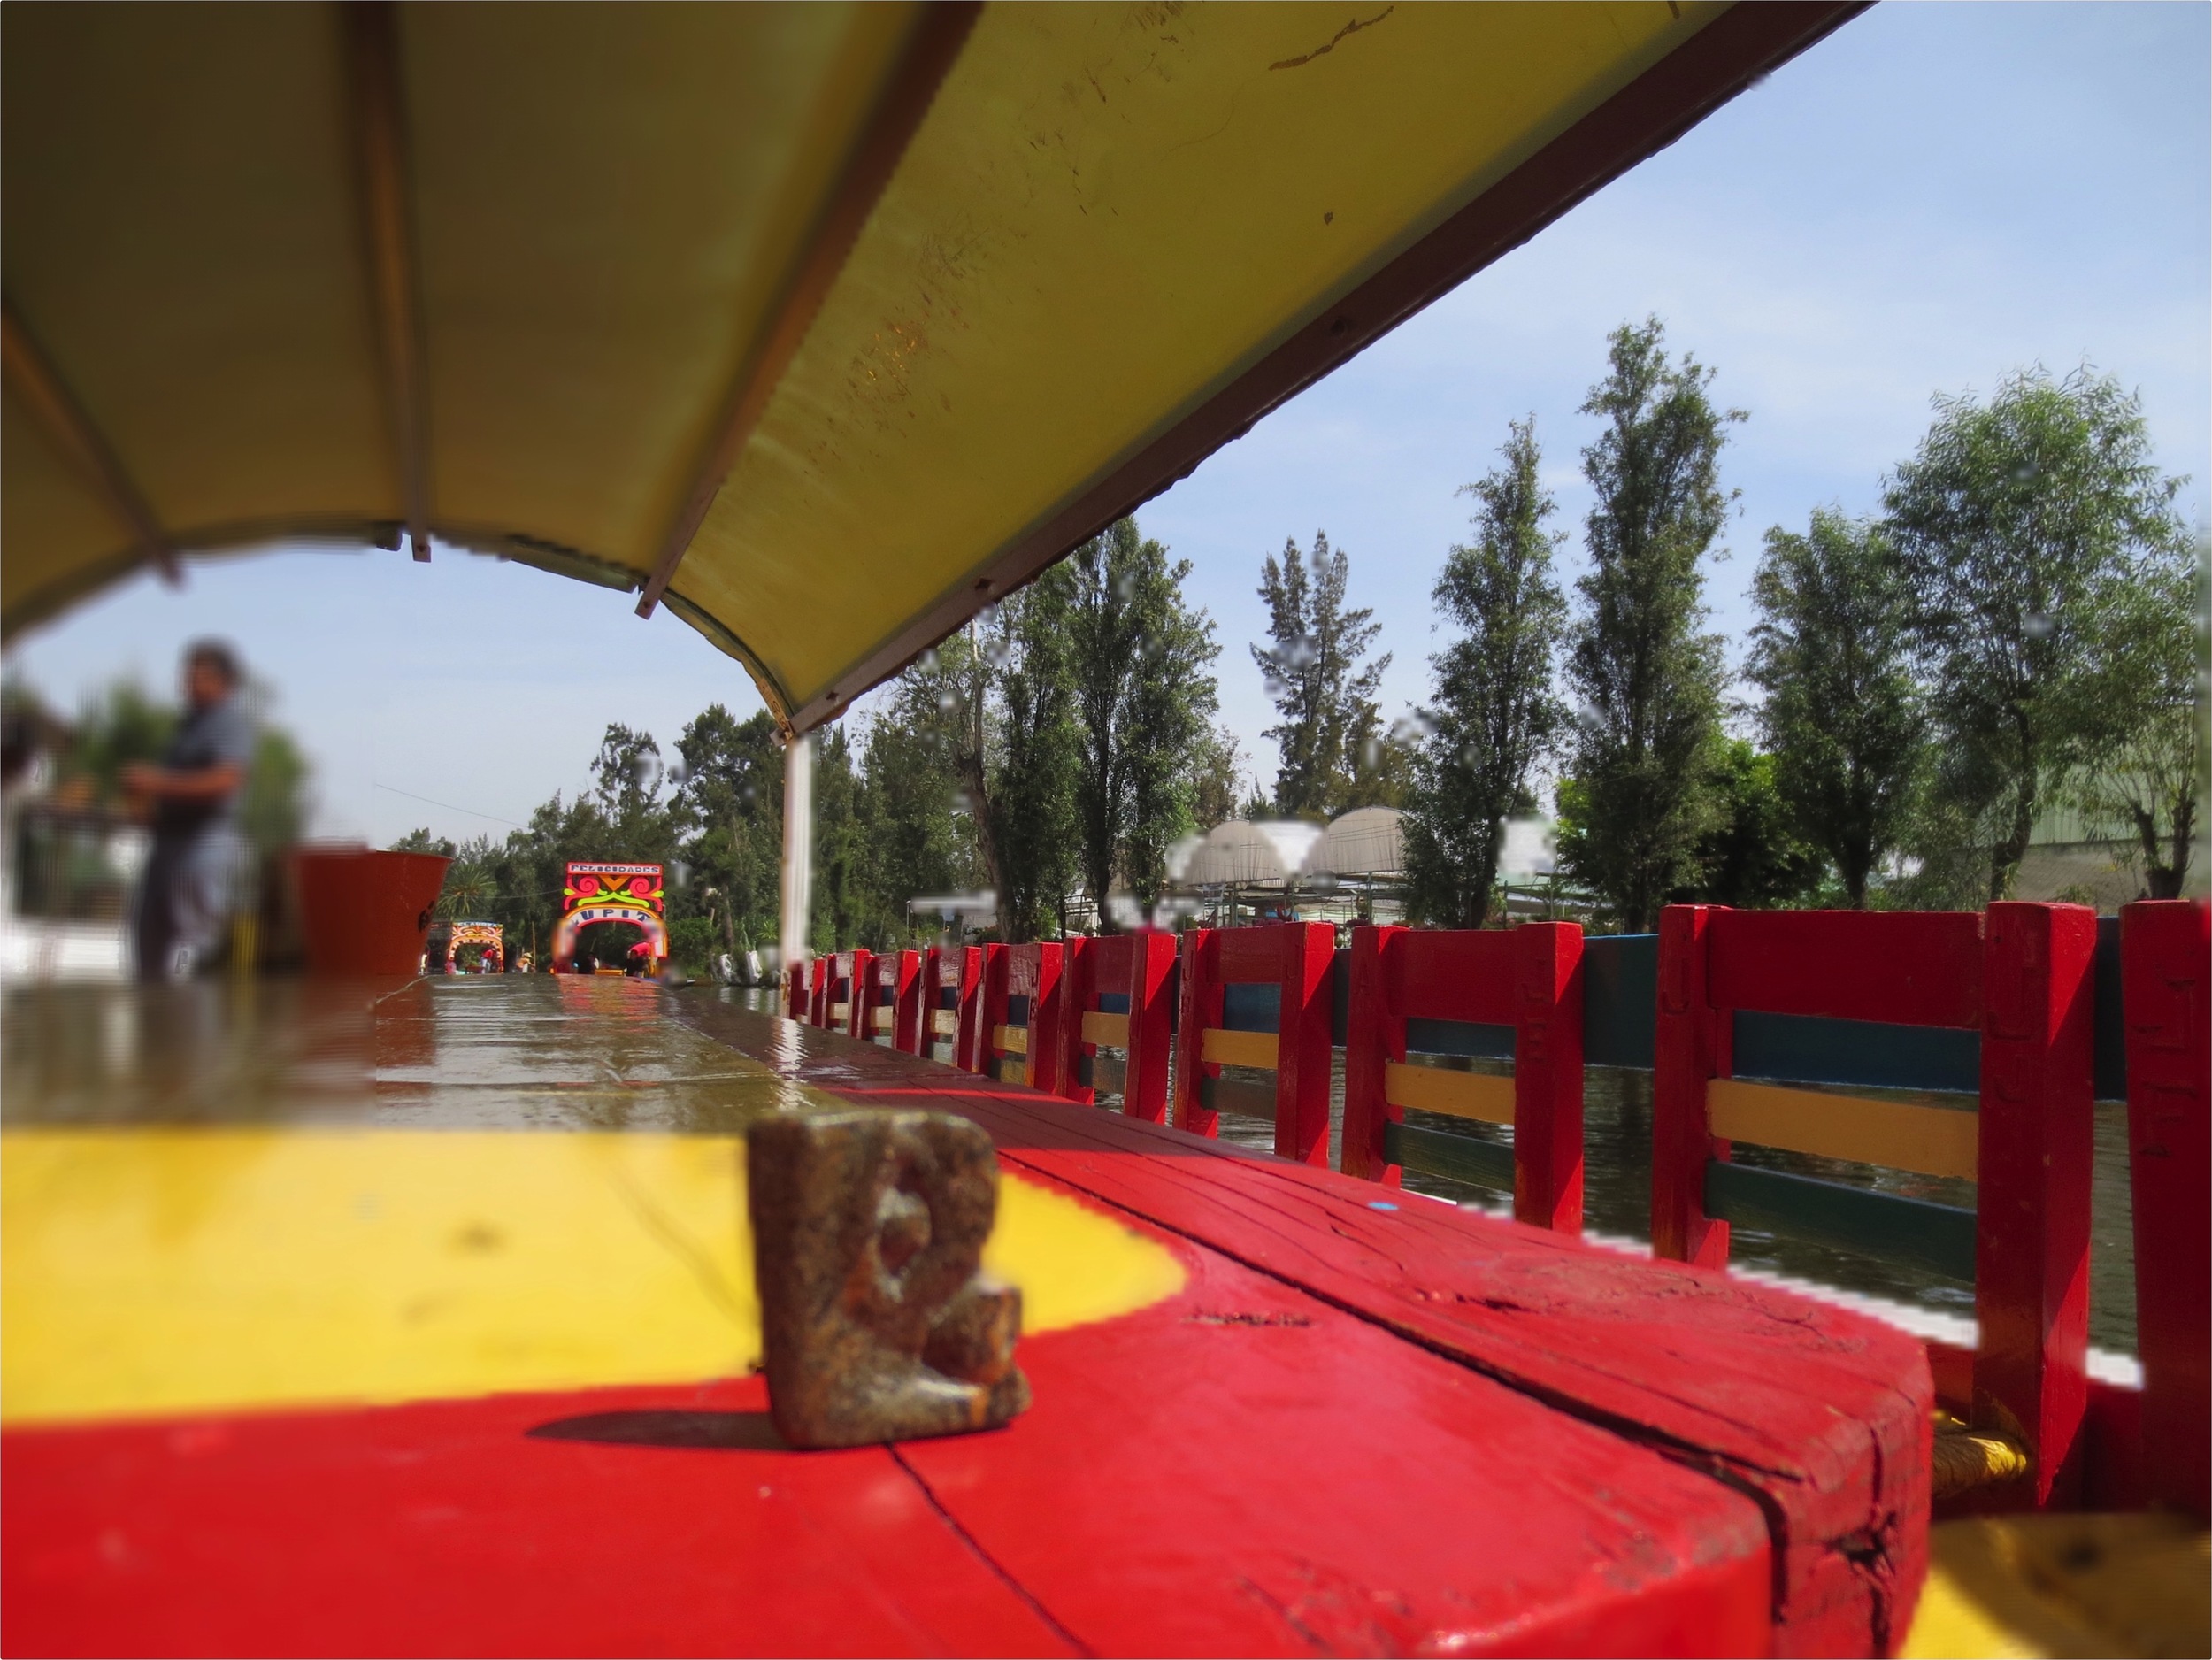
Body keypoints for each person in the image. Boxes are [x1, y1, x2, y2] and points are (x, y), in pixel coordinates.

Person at [124, 641, 255, 981]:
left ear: (223, 682)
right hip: (168, 840)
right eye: (188, 675)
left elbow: (225, 780)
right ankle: (156, 1029)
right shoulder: (188, 726)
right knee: (149, 940)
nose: (188, 682)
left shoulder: (227, 723)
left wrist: (154, 783)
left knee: (194, 944)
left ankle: (199, 1028)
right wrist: (146, 804)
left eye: (198, 676)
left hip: (203, 841)